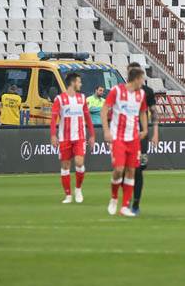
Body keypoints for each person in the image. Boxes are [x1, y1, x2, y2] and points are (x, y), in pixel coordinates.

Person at [102, 65, 148, 218]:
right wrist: (106, 131)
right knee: (118, 170)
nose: (143, 82)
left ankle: (124, 206)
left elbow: (142, 112)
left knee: (131, 171)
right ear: (135, 79)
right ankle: (114, 197)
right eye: (142, 79)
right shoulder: (117, 91)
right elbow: (104, 109)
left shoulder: (140, 94)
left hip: (133, 138)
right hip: (118, 137)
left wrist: (145, 130)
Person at [50, 72, 96, 204]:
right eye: (79, 82)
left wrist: (92, 135)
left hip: (79, 137)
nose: (81, 84)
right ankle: (68, 195)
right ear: (73, 82)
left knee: (79, 163)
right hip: (64, 138)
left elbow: (88, 118)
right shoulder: (59, 99)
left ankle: (78, 189)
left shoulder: (82, 98)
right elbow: (53, 119)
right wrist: (53, 135)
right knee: (65, 166)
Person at [130, 63, 160, 216]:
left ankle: (135, 203)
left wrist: (155, 133)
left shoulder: (147, 92)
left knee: (139, 168)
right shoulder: (123, 91)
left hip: (141, 135)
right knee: (125, 169)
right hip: (125, 135)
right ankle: (127, 200)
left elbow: (154, 113)